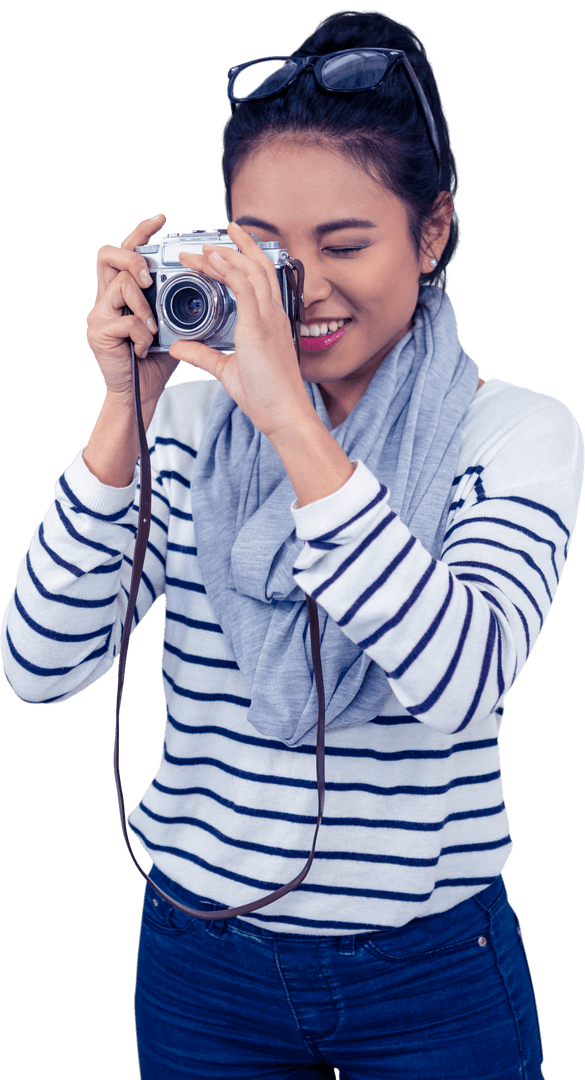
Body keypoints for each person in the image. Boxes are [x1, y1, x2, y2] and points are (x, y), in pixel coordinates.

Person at [2, 8, 582, 1079]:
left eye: (347, 243)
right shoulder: (186, 429)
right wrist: (125, 411)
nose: (300, 289)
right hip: (199, 966)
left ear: (435, 229)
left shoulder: (516, 433)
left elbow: (462, 683)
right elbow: (38, 670)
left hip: (433, 974)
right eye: (265, 249)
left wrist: (290, 423)